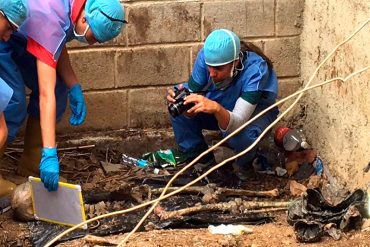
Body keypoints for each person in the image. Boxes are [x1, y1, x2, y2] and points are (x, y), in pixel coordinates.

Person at [0, 0, 125, 192]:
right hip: (4, 34)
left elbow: (56, 42)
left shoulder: (74, 6)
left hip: (24, 34)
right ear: (85, 18)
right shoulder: (53, 18)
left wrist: (72, 84)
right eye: (93, 36)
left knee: (59, 88)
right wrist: (51, 153)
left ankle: (32, 161)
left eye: (98, 41)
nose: (92, 43)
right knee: (12, 100)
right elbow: (45, 93)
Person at [166, 29, 279, 179]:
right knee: (178, 102)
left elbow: (237, 122)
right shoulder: (205, 57)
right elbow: (191, 92)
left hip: (253, 113)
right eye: (209, 67)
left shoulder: (256, 70)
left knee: (240, 136)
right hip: (221, 103)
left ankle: (244, 163)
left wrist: (217, 109)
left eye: (219, 68)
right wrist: (185, 107)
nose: (212, 74)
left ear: (235, 62)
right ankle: (198, 156)